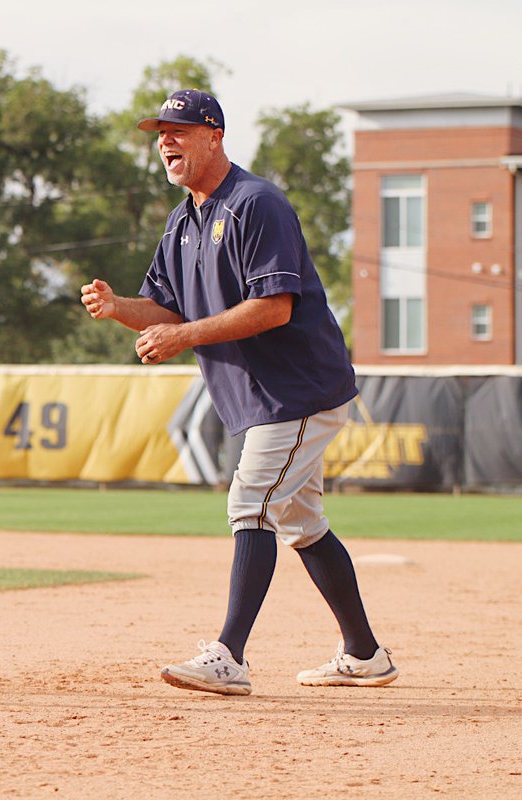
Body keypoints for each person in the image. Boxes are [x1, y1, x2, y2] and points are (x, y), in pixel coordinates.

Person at [81, 89, 398, 696]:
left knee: (250, 502)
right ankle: (364, 654)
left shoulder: (257, 203)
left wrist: (181, 336)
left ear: (214, 136)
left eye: (178, 130)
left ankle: (229, 655)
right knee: (303, 522)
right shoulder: (182, 221)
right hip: (260, 397)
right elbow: (165, 306)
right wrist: (120, 307)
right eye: (159, 133)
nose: (165, 142)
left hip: (297, 389)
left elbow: (274, 307)